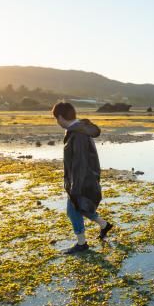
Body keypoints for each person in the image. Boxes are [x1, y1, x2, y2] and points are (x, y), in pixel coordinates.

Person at [52, 102, 114, 254]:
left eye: (56, 118)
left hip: (81, 180)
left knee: (73, 211)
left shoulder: (77, 133)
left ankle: (82, 244)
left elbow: (80, 162)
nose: (57, 122)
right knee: (82, 207)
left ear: (60, 117)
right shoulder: (77, 129)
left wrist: (75, 187)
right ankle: (104, 225)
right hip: (84, 178)